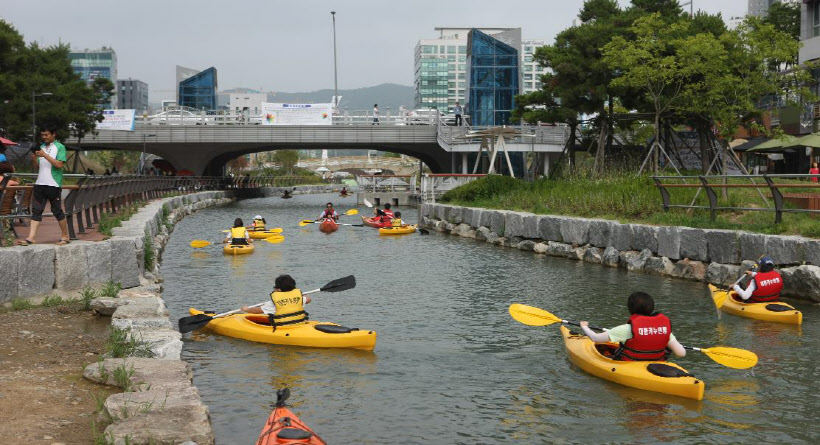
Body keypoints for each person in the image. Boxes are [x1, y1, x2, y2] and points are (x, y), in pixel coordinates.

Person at [579, 292, 686, 361]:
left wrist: (584, 327)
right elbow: (681, 353)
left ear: (630, 309)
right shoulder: (664, 330)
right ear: (652, 308)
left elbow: (595, 338)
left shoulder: (626, 329)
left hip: (629, 364)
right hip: (655, 364)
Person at [18, 125, 70, 246]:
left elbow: (59, 165)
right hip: (40, 183)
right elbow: (38, 166)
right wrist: (34, 159)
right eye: (42, 135)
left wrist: (45, 155)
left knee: (57, 210)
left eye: (46, 134)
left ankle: (65, 236)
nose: (44, 137)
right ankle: (31, 238)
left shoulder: (60, 147)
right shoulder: (41, 147)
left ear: (54, 134)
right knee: (36, 210)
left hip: (54, 184)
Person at [241, 275, 311, 328]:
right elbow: (308, 299)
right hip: (299, 324)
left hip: (283, 328)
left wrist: (247, 309)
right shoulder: (299, 298)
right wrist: (303, 295)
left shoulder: (273, 303)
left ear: (278, 289)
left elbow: (257, 311)